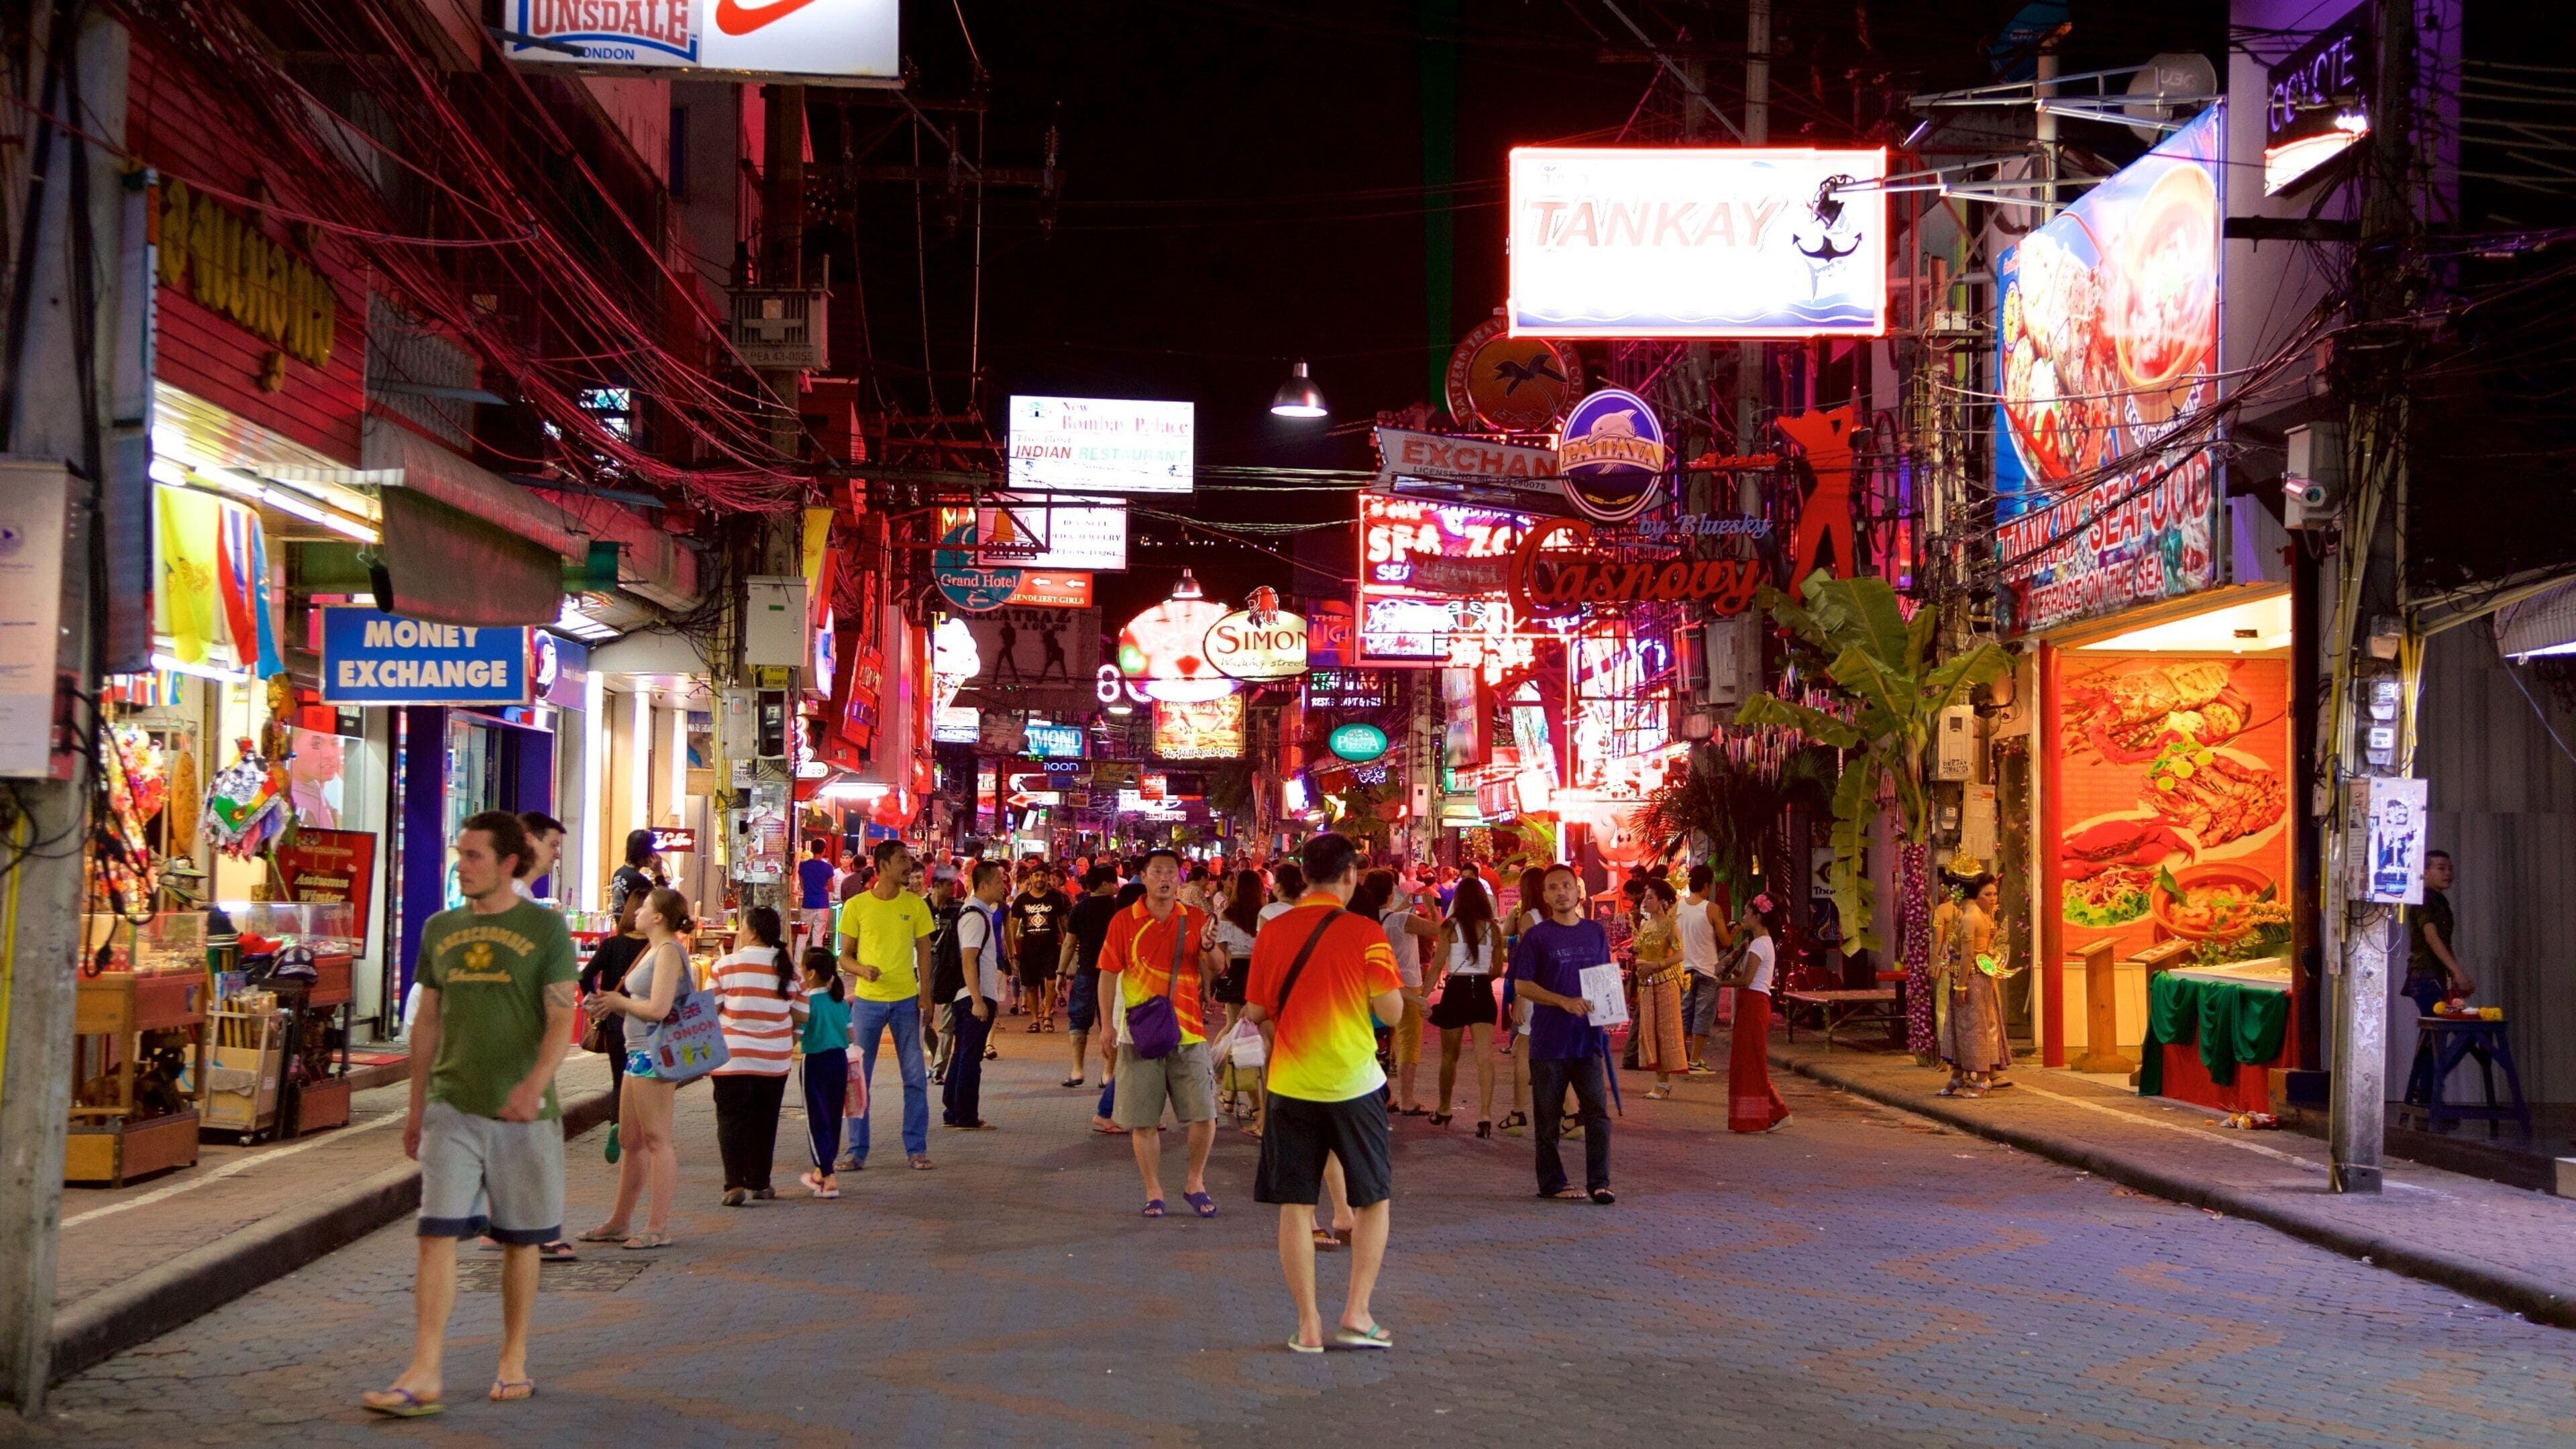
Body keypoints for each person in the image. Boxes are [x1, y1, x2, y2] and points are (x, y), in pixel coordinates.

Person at [363, 812, 578, 1417]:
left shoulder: (545, 929)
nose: (461, 865)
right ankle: (424, 1368)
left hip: (524, 1116)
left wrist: (535, 1084)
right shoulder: (439, 929)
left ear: (510, 863)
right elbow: (427, 1020)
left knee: (519, 1239)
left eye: (474, 855)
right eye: (460, 854)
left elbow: (562, 1016)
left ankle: (513, 1356)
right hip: (451, 1107)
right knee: (436, 1234)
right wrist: (415, 1105)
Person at [1244, 830, 1405, 1353]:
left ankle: (1308, 1324)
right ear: (1350, 875)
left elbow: (1257, 1008)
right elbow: (1392, 1011)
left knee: (1295, 1205)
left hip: (1291, 1083)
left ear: (1303, 875)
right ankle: (1357, 1313)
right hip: (1355, 1083)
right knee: (1373, 1199)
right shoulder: (1366, 932)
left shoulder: (1273, 930)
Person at [1097, 849, 1223, 1218]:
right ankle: (1154, 1191)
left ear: (1179, 878)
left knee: (1205, 1116)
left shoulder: (1195, 918)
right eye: (1158, 871)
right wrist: (1105, 1025)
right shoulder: (1124, 920)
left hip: (1189, 1032)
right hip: (1140, 1036)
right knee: (1144, 1120)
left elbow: (1217, 967)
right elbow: (1107, 974)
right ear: (1144, 877)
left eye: (1172, 871)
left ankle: (1194, 1182)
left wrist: (1209, 945)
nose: (1166, 878)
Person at [579, 887, 694, 1250]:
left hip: (655, 1053)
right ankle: (620, 1221)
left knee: (657, 1140)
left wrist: (617, 1001)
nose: (637, 912)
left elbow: (659, 1008)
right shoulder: (652, 949)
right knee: (630, 1139)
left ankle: (657, 1227)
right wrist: (610, 1005)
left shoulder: (669, 951)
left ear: (659, 916)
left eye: (644, 907)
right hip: (636, 1052)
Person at [1509, 864, 1615, 1205]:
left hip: (1588, 1040)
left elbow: (1604, 975)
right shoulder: (1537, 937)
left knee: (1596, 1112)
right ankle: (1552, 1182)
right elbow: (1522, 984)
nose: (1561, 893)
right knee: (1548, 1116)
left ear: (1578, 891)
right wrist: (1562, 1002)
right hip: (1549, 1042)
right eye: (1553, 888)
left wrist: (1611, 1012)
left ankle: (1600, 1182)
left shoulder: (1595, 932)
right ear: (1545, 896)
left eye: (1566, 886)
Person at [835, 839, 938, 1171]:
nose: (909, 866)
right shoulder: (856, 907)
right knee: (859, 1078)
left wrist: (926, 994)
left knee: (914, 1077)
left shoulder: (917, 906)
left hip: (907, 1001)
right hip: (867, 1002)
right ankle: (856, 1149)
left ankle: (916, 1148)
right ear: (882, 867)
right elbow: (844, 957)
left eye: (909, 860)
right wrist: (863, 970)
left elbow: (925, 952)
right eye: (902, 860)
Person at [710, 906, 798, 1205]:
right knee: (765, 1120)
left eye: (743, 926)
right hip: (774, 1061)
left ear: (753, 931)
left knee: (731, 1120)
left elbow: (710, 1011)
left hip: (732, 1058)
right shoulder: (789, 969)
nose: (740, 931)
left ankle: (733, 1184)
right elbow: (803, 1014)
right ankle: (760, 1183)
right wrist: (786, 1039)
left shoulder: (726, 965)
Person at [1428, 872, 1506, 1134]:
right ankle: (1485, 1114)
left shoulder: (1449, 927)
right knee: (1485, 1057)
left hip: (1456, 989)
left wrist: (1422, 996)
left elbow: (1437, 966)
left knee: (1450, 1056)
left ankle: (1444, 1107)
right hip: (1482, 990)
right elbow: (1496, 969)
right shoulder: (1493, 929)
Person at [943, 861, 1011, 1132]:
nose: (1003, 887)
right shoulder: (974, 915)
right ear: (983, 885)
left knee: (962, 1054)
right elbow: (969, 960)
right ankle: (965, 1115)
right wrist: (978, 1001)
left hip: (975, 995)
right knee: (970, 1057)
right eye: (998, 882)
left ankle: (954, 1110)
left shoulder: (980, 913)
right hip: (974, 996)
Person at [1368, 870, 1438, 1116]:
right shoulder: (1400, 920)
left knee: (1381, 1042)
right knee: (1409, 1042)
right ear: (1390, 894)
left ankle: (1384, 1095)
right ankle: (1407, 1098)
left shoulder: (1366, 920)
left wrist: (1402, 906)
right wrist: (1431, 907)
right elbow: (1436, 929)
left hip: (1378, 987)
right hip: (1407, 984)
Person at [1936, 873, 2012, 1099]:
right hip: (1967, 976)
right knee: (1959, 1027)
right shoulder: (1979, 915)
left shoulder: (1971, 917)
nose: (1992, 898)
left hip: (1972, 979)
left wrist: (1961, 987)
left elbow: (1969, 954)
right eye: (1988, 894)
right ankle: (1957, 1075)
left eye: (1994, 894)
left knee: (1974, 1029)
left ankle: (1982, 1078)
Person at [1727, 894, 1793, 1133]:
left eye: (1747, 913)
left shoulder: (1759, 944)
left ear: (1758, 916)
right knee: (1748, 1062)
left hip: (1754, 1005)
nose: (1743, 917)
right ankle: (1773, 1113)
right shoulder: (1762, 943)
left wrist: (1717, 983)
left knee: (1751, 1063)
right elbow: (1746, 977)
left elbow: (1747, 980)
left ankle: (1771, 1114)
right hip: (1753, 1004)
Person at [580, 895, 648, 1119]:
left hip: (615, 1023)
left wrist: (595, 1002)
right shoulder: (657, 948)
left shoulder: (611, 945)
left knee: (620, 1080)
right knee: (646, 1081)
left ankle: (616, 1127)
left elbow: (586, 975)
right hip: (647, 1021)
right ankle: (640, 1129)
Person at [1212, 868, 1267, 1132]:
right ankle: (1238, 1096)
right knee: (1250, 1037)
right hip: (1258, 976)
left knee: (1237, 1033)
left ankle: (1232, 1091)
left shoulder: (1227, 915)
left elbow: (1222, 948)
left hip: (1236, 974)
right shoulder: (1263, 915)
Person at [795, 949, 850, 1199]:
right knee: (833, 1115)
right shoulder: (839, 1001)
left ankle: (828, 1176)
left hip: (815, 1062)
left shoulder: (808, 1003)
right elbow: (851, 1036)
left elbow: (797, 1035)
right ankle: (822, 1169)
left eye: (802, 967)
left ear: (812, 973)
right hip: (840, 1060)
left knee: (816, 1118)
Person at [1061, 864, 1119, 1097]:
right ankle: (1108, 1073)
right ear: (1105, 884)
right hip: (1113, 973)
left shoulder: (1080, 909)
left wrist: (1060, 972)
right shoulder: (1120, 909)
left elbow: (1068, 944)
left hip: (1085, 971)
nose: (1116, 886)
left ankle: (1077, 1070)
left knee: (1078, 1021)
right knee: (1110, 1023)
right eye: (1114, 882)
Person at [1632, 879, 1689, 1100]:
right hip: (1647, 984)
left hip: (1665, 984)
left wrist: (1655, 966)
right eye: (1645, 897)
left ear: (1662, 902)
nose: (1645, 901)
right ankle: (1659, 1081)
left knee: (1665, 1032)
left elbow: (1680, 955)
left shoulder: (1669, 926)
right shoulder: (1646, 924)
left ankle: (1663, 1083)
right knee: (1650, 1031)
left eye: (1650, 897)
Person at [1677, 865, 1733, 1075]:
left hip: (1684, 969)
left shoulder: (1678, 906)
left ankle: (1681, 1059)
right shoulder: (1712, 909)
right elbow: (1726, 941)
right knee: (1703, 1015)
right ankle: (1695, 1059)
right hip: (1707, 970)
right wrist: (1735, 931)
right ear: (1707, 885)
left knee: (1684, 1015)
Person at [1007, 864, 1073, 1035]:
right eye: (1036, 875)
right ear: (1030, 877)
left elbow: (1063, 922)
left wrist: (1068, 942)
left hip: (1051, 946)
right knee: (1030, 986)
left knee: (1051, 982)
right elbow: (1012, 925)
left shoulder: (1055, 898)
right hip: (1028, 948)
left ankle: (1047, 1015)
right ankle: (1035, 1019)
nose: (1040, 879)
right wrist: (1011, 946)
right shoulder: (1022, 900)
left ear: (1048, 878)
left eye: (1043, 875)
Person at [796, 838, 837, 956]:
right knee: (818, 936)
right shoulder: (828, 868)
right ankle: (815, 963)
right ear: (824, 850)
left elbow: (802, 886)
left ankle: (798, 965)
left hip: (807, 904)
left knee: (803, 935)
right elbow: (831, 888)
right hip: (822, 905)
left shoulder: (803, 866)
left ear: (812, 849)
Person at [608, 829, 659, 921]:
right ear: (642, 852)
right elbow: (665, 903)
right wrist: (658, 873)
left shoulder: (618, 873)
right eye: (652, 849)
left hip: (622, 929)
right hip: (636, 932)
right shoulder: (639, 880)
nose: (654, 854)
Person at [513, 812, 565, 904]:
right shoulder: (516, 894)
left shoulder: (519, 892)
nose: (558, 855)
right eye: (553, 845)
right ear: (529, 840)